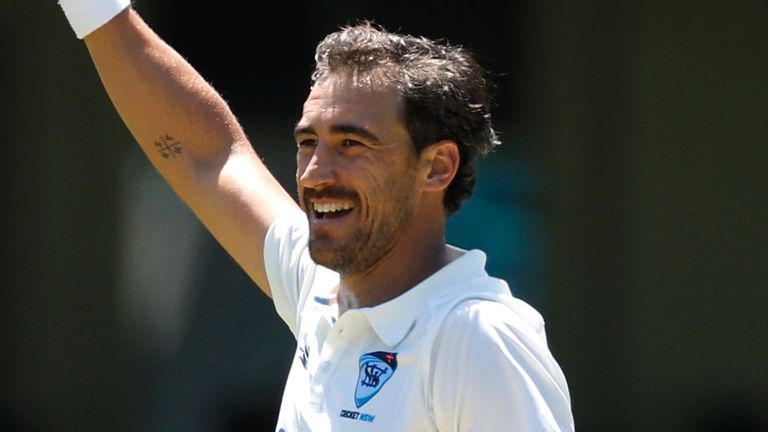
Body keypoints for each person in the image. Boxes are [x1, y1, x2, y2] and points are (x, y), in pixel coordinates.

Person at [58, 0, 574, 430]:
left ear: (437, 166)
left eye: (352, 143)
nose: (315, 172)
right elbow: (207, 155)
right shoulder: (320, 287)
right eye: (309, 143)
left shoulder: (475, 334)